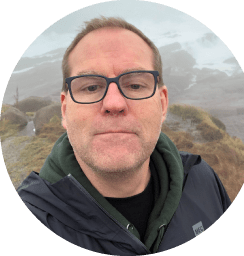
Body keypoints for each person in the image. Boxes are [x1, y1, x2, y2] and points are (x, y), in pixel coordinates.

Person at [17, 17, 231, 255]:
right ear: (65, 110)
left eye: (135, 85)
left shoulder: (203, 180)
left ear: (162, 104)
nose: (114, 103)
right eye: (90, 87)